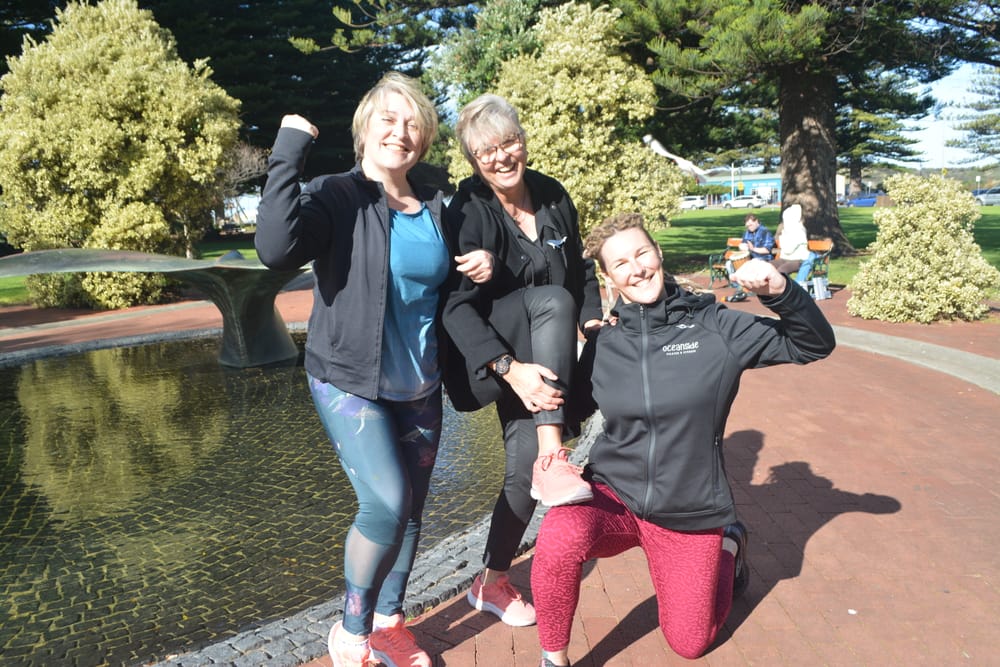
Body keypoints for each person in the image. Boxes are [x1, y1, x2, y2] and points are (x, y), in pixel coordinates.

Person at [254, 72, 492, 667]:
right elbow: (275, 249)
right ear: (365, 127)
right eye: (388, 118)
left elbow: (445, 285)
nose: (400, 132)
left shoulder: (434, 204)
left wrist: (481, 262)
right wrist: (288, 149)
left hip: (420, 382)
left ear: (424, 138)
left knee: (411, 511)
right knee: (384, 503)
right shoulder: (338, 195)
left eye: (413, 123)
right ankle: (351, 632)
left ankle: (389, 623)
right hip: (348, 378)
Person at [530, 212, 836, 666]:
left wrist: (780, 291)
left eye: (642, 254)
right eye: (621, 263)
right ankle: (552, 660)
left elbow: (812, 344)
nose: (637, 269)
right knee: (559, 535)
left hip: (689, 510)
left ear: (658, 253)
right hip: (615, 495)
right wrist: (526, 379)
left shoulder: (716, 327)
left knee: (690, 644)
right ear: (609, 277)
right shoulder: (605, 343)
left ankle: (729, 545)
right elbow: (569, 411)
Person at [442, 94, 605, 628]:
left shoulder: (552, 194)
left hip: (547, 355)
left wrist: (593, 321)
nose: (501, 156)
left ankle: (490, 581)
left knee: (520, 472)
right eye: (486, 151)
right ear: (473, 161)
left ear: (523, 141)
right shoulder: (468, 210)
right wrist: (510, 369)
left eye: (508, 142)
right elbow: (455, 308)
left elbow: (580, 269)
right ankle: (555, 456)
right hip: (498, 355)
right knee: (551, 301)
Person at [726, 212, 775, 302]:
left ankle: (750, 288)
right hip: (751, 257)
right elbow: (744, 244)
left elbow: (767, 250)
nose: (749, 227)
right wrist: (742, 246)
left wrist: (753, 249)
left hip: (763, 258)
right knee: (729, 264)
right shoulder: (747, 233)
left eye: (751, 225)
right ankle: (740, 286)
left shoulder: (765, 232)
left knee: (752, 263)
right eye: (747, 226)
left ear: (756, 221)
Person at [771, 204, 810, 277]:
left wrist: (782, 239)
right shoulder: (786, 231)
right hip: (785, 258)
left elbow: (788, 249)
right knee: (768, 266)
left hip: (799, 260)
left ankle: (784, 284)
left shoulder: (800, 231)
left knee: (781, 270)